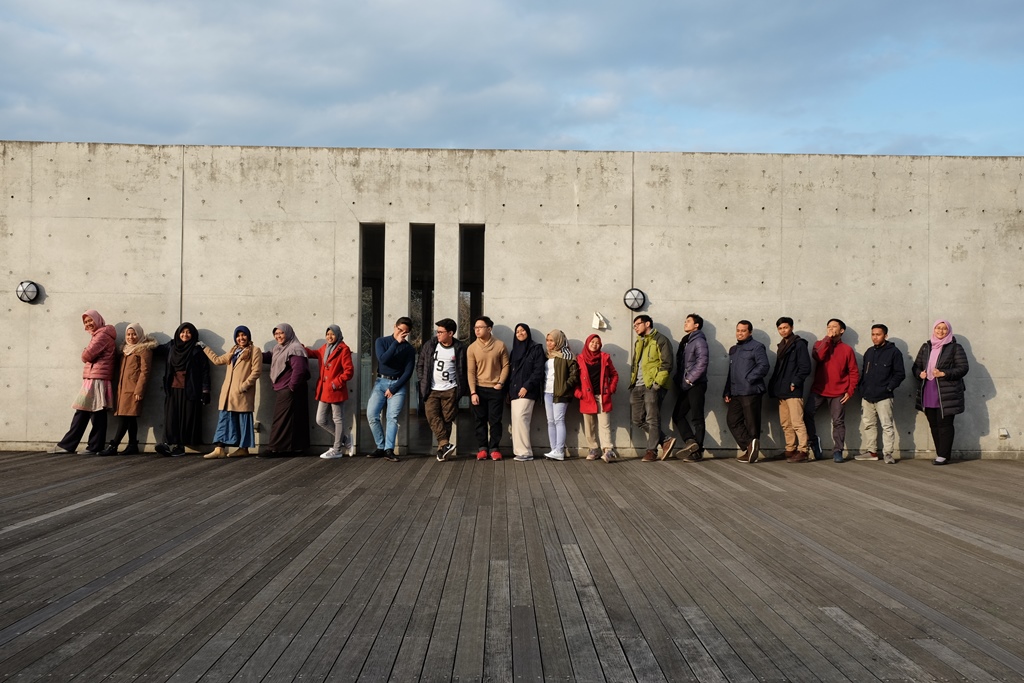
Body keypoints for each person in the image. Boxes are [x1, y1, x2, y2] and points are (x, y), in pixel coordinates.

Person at [51, 310, 117, 454]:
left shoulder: (101, 336)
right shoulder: (101, 335)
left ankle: (86, 446)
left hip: (96, 378)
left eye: (90, 320)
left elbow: (87, 356)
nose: (88, 324)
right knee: (88, 412)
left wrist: (85, 351)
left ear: (98, 319)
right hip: (95, 377)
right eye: (86, 322)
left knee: (93, 413)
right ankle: (76, 445)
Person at [912, 319, 969, 466]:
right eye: (938, 328)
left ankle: (943, 455)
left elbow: (963, 368)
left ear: (949, 331)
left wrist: (944, 373)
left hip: (946, 392)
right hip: (928, 389)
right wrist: (919, 374)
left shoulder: (955, 347)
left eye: (944, 328)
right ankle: (941, 453)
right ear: (934, 329)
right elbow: (915, 366)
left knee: (945, 424)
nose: (941, 331)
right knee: (933, 423)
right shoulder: (926, 347)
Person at [202, 325, 262, 459]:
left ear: (248, 336)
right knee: (224, 420)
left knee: (243, 421)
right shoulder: (233, 350)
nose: (241, 338)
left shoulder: (255, 350)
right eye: (238, 336)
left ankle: (243, 449)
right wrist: (204, 347)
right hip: (228, 394)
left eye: (243, 335)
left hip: (242, 393)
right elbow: (217, 360)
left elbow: (256, 371)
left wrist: (244, 386)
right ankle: (219, 449)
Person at [804, 318, 859, 463]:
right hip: (819, 389)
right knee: (807, 413)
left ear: (842, 330)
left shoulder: (847, 350)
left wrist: (850, 391)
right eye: (828, 326)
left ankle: (838, 451)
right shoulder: (819, 344)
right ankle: (814, 442)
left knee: (838, 422)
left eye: (834, 326)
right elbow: (818, 356)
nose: (831, 329)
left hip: (839, 392)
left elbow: (853, 372)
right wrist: (827, 339)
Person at [156, 322, 211, 456]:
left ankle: (180, 447)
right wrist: (144, 343)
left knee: (186, 418)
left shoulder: (197, 350)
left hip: (190, 389)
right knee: (171, 417)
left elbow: (205, 371)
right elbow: (155, 350)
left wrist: (205, 390)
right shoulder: (171, 346)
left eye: (188, 332)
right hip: (173, 388)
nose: (185, 335)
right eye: (183, 332)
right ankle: (166, 443)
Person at [101, 322, 156, 455]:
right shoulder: (125, 350)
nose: (131, 337)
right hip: (122, 390)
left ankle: (113, 446)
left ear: (139, 334)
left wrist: (139, 390)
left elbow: (145, 372)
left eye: (134, 334)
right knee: (130, 418)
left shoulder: (143, 350)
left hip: (133, 390)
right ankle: (132, 445)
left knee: (124, 418)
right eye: (128, 334)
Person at [417, 318, 468, 462]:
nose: (438, 334)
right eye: (437, 331)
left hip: (450, 389)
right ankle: (445, 443)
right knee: (432, 415)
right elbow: (420, 363)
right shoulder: (430, 345)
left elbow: (464, 369)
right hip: (432, 388)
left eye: (441, 332)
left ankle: (442, 450)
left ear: (450, 333)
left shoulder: (460, 348)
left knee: (447, 419)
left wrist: (461, 388)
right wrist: (422, 379)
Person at [367, 317, 415, 462]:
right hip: (380, 382)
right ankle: (380, 446)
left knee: (391, 417)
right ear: (395, 326)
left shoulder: (409, 349)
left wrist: (394, 388)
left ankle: (389, 449)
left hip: (398, 385)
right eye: (400, 329)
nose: (401, 333)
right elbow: (383, 359)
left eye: (405, 332)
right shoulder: (381, 342)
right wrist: (396, 343)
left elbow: (408, 372)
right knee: (372, 414)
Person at [856, 324, 906, 464]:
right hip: (867, 396)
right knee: (868, 424)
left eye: (878, 334)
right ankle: (872, 452)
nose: (875, 337)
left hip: (884, 396)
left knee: (887, 426)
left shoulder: (894, 352)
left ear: (885, 335)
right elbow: (864, 373)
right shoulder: (869, 352)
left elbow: (900, 374)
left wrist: (888, 388)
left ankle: (888, 454)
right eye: (873, 334)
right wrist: (862, 389)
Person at [628, 314, 675, 462]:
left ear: (647, 324)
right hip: (637, 385)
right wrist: (633, 382)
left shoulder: (661, 340)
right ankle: (665, 440)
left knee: (652, 419)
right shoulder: (638, 342)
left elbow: (667, 363)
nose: (635, 328)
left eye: (637, 324)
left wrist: (657, 384)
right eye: (634, 326)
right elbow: (636, 365)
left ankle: (651, 451)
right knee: (637, 419)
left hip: (652, 386)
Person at [260, 323, 310, 457]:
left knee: (281, 420)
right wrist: (254, 353)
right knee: (294, 419)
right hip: (287, 389)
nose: (278, 336)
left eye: (281, 333)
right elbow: (270, 357)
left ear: (288, 333)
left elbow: (299, 370)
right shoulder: (279, 348)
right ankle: (296, 448)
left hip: (290, 389)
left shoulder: (295, 348)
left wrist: (291, 387)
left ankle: (274, 448)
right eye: (276, 334)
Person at [305, 324, 354, 460]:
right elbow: (313, 353)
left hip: (335, 390)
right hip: (324, 390)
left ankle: (337, 449)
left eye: (332, 334)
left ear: (338, 335)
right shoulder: (324, 348)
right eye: (327, 334)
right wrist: (299, 346)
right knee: (320, 420)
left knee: (337, 419)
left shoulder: (343, 349)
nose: (329, 337)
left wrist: (335, 383)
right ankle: (346, 440)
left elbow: (349, 371)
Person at [723, 320, 769, 463]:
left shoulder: (757, 347)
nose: (740, 333)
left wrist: (749, 379)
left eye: (743, 331)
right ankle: (750, 444)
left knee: (751, 422)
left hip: (751, 390)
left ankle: (751, 451)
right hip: (736, 391)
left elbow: (764, 366)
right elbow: (731, 372)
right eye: (738, 330)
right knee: (732, 420)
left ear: (750, 332)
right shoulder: (734, 349)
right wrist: (727, 390)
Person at [767, 317, 811, 463]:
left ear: (791, 327)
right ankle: (790, 449)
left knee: (797, 422)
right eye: (780, 328)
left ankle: (803, 450)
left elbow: (805, 367)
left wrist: (795, 382)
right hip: (782, 390)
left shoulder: (799, 344)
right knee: (786, 423)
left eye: (785, 327)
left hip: (793, 390)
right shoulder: (781, 345)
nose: (783, 331)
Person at [467, 316, 510, 461]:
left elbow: (506, 366)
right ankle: (482, 448)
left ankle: (494, 448)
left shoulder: (500, 345)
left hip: (495, 389)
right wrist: (473, 392)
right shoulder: (472, 348)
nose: (477, 330)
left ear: (489, 329)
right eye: (475, 327)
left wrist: (500, 383)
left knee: (495, 421)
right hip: (479, 389)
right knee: (480, 420)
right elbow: (471, 371)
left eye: (480, 327)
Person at [575, 333, 618, 462]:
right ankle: (593, 449)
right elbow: (574, 379)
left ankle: (608, 450)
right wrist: (579, 393)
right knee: (589, 425)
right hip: (587, 397)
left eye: (597, 343)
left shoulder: (605, 358)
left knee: (605, 424)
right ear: (587, 343)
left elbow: (614, 375)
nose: (594, 344)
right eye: (592, 342)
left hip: (602, 396)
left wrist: (611, 389)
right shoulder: (580, 359)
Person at [672, 313, 709, 462]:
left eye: (688, 321)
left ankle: (697, 452)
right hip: (686, 385)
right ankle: (691, 441)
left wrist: (689, 379)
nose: (685, 323)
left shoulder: (699, 341)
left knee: (697, 417)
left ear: (696, 325)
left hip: (696, 384)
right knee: (677, 415)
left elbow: (702, 362)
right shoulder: (686, 341)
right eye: (685, 321)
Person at [508, 323, 545, 462]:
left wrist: (527, 386)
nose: (520, 333)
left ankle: (526, 452)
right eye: (517, 331)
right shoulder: (514, 351)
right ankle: (519, 451)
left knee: (522, 419)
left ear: (528, 332)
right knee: (516, 421)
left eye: (522, 330)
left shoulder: (536, 348)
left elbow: (538, 371)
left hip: (527, 391)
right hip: (514, 391)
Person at [542, 330, 579, 461]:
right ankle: (554, 450)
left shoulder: (567, 355)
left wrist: (565, 387)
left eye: (552, 340)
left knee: (559, 420)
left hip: (561, 393)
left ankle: (559, 450)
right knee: (550, 421)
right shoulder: (548, 355)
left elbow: (574, 375)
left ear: (559, 341)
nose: (549, 343)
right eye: (547, 340)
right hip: (547, 391)